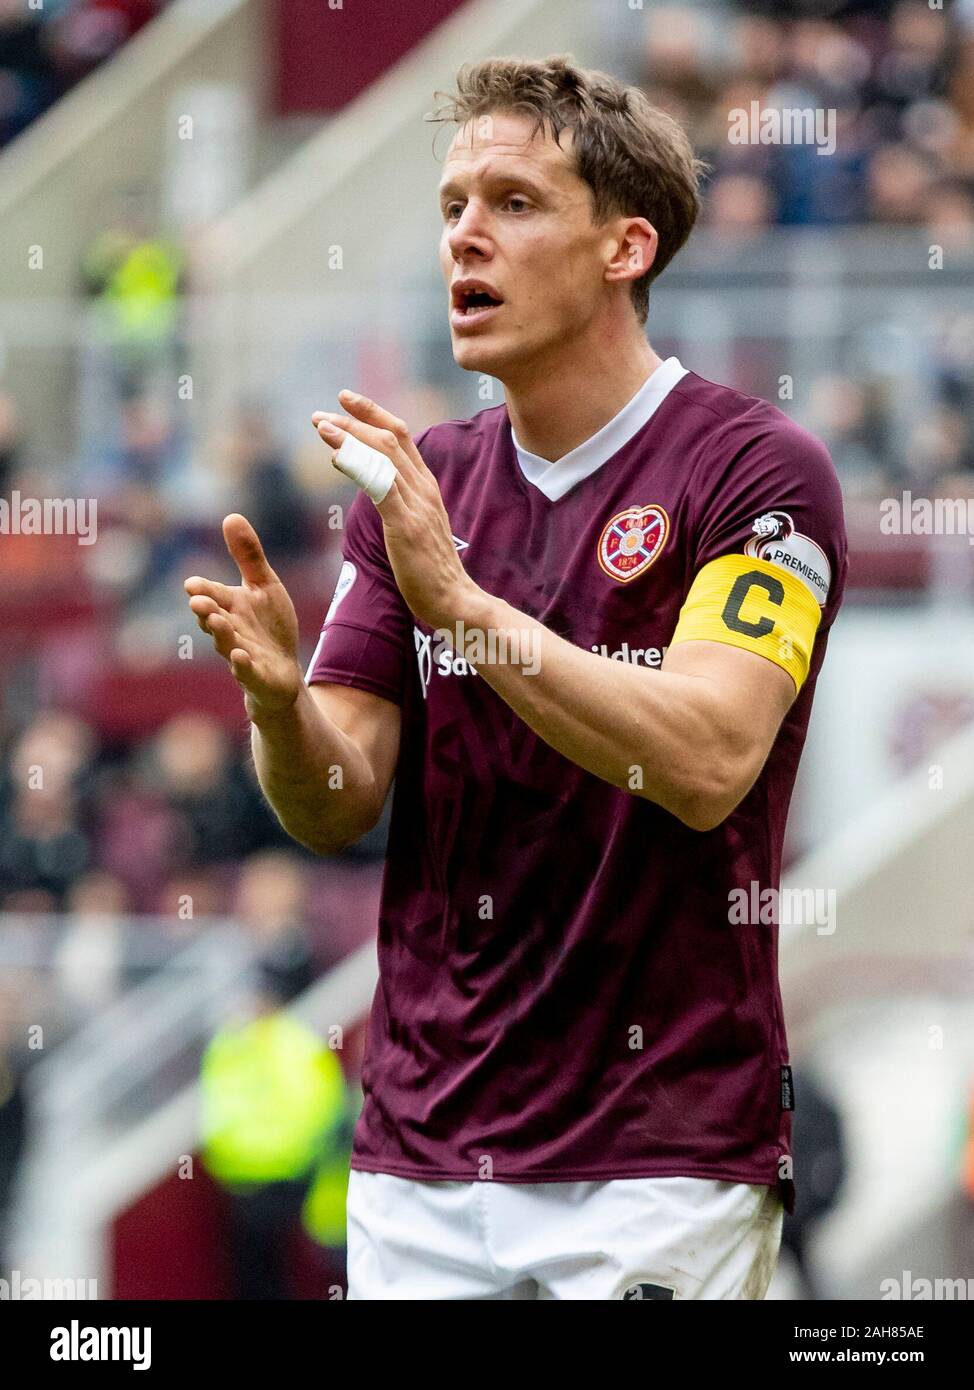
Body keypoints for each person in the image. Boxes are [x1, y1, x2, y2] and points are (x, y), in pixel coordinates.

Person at [186, 55, 847, 1300]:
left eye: (513, 201)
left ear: (624, 247)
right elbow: (335, 798)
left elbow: (705, 760)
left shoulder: (757, 472)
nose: (464, 237)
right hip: (418, 1163)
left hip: (654, 1165)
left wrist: (462, 610)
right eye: (450, 207)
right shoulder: (424, 481)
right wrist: (280, 707)